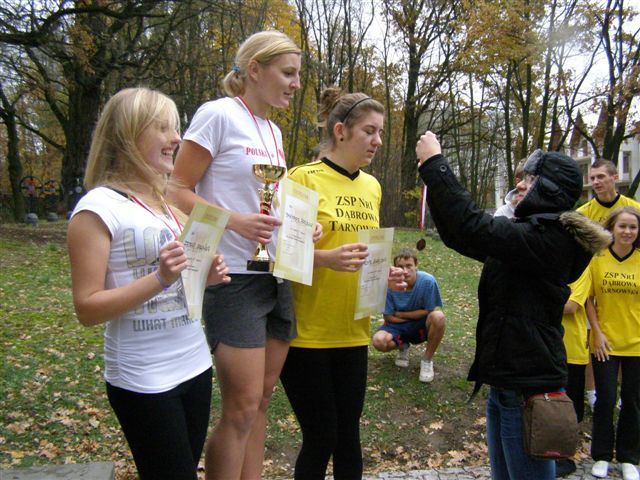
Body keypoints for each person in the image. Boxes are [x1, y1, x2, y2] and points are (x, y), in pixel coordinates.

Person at [415, 132, 611, 480]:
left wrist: (436, 164)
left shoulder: (548, 240)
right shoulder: (529, 235)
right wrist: (431, 176)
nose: (520, 185)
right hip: (507, 383)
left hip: (528, 389)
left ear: (549, 189)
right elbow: (461, 234)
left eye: (530, 180)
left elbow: (473, 225)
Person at [166, 31, 313, 480]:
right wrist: (234, 222)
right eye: (288, 73)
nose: (296, 84)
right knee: (241, 406)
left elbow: (268, 200)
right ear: (254, 70)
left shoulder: (273, 130)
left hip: (277, 277)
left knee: (262, 401)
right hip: (233, 280)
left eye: (298, 75)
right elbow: (175, 191)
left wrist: (300, 226)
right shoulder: (217, 115)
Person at [67, 87, 230, 480]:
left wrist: (202, 278)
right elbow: (87, 307)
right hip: (143, 376)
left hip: (194, 363)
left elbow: (178, 285)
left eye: (175, 128)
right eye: (163, 128)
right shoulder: (97, 208)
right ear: (128, 133)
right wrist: (159, 278)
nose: (177, 138)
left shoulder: (168, 207)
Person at [279, 88, 405, 479]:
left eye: (380, 132)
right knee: (321, 435)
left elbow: (365, 251)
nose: (378, 141)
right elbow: (278, 256)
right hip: (307, 334)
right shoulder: (302, 178)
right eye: (369, 131)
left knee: (348, 436)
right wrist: (324, 259)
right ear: (340, 131)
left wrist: (384, 273)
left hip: (353, 331)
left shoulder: (372, 187)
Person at [577, 159, 640, 410]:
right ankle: (594, 392)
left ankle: (625, 394)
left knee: (625, 342)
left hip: (628, 281)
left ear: (614, 178)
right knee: (594, 339)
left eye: (601, 177)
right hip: (596, 279)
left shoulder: (633, 208)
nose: (596, 182)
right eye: (592, 178)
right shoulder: (585, 212)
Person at [587, 206, 640, 480]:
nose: (627, 232)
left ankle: (629, 457)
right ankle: (602, 455)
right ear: (612, 228)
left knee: (632, 401)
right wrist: (596, 332)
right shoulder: (598, 258)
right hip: (605, 342)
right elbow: (588, 299)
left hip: (637, 343)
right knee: (605, 399)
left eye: (633, 227)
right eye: (622, 226)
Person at [372, 248, 445, 383]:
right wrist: (411, 317)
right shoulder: (388, 284)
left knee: (438, 317)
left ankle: (427, 360)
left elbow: (429, 311)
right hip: (396, 325)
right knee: (378, 341)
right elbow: (388, 317)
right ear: (394, 268)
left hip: (420, 324)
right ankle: (402, 345)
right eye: (400, 267)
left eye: (409, 266)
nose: (405, 271)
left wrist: (401, 314)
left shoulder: (428, 281)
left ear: (416, 265)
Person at [556, 268, 592, 477]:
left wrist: (539, 301)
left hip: (572, 351)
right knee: (549, 405)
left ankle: (565, 456)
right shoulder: (552, 263)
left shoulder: (582, 269)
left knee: (570, 407)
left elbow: (571, 306)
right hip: (549, 347)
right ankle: (548, 452)